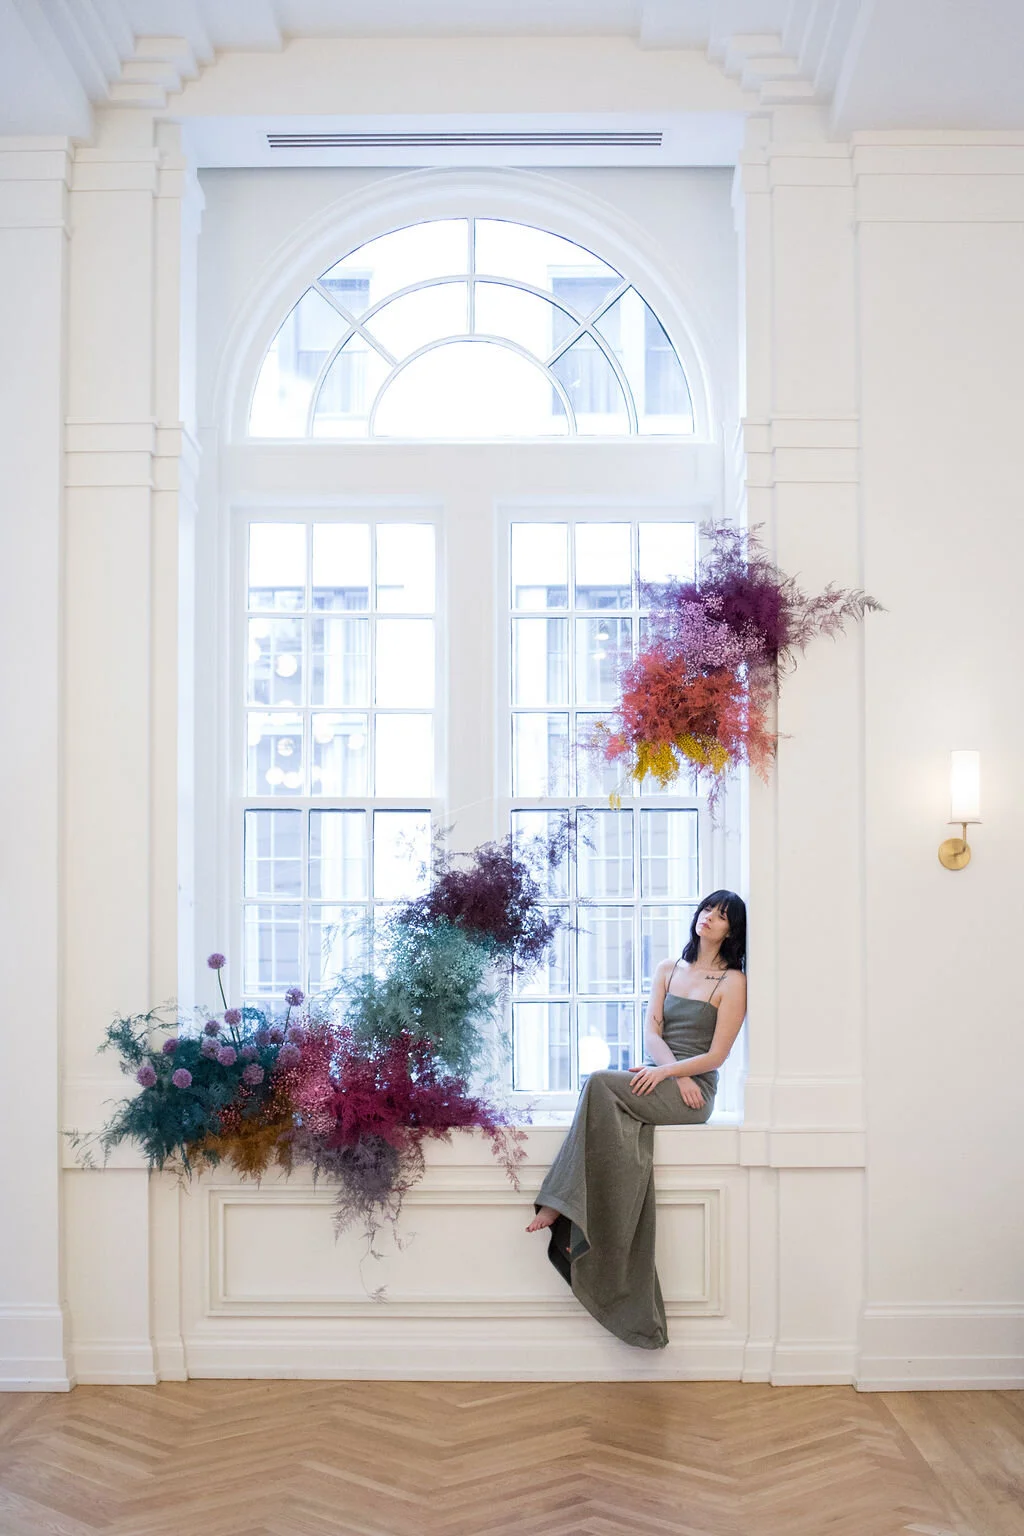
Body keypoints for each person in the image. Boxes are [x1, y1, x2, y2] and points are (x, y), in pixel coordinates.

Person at [526, 890, 747, 1349]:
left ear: (732, 929)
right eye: (706, 909)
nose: (708, 918)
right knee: (605, 1096)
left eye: (721, 916)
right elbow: (652, 1031)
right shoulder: (669, 968)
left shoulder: (732, 982)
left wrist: (677, 1075)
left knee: (601, 1084)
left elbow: (718, 1054)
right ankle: (568, 1213)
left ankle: (559, 1206)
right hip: (666, 1076)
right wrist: (665, 1071)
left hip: (695, 1091)